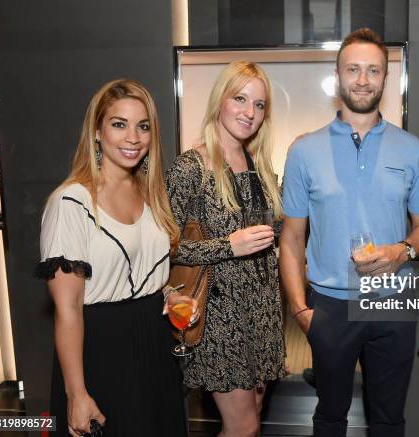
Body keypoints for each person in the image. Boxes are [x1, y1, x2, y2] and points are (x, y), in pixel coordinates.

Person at [280, 28, 419, 437]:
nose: (363, 79)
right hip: (329, 305)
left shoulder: (412, 149)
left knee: (387, 420)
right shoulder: (304, 151)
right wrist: (301, 311)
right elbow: (291, 240)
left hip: (393, 303)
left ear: (386, 77)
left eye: (373, 70)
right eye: (353, 69)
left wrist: (403, 250)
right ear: (338, 75)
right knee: (330, 418)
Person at [35, 79, 190, 436]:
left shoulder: (152, 194)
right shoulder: (72, 203)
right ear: (97, 132)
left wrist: (168, 295)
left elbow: (142, 272)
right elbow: (68, 309)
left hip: (155, 344)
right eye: (119, 124)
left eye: (143, 126)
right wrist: (76, 394)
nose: (133, 138)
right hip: (101, 350)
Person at [165, 61, 286, 437]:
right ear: (221, 100)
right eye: (240, 99)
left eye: (260, 105)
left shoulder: (259, 166)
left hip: (263, 310)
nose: (250, 112)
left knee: (254, 413)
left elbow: (275, 231)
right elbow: (165, 247)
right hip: (220, 315)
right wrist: (228, 246)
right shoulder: (191, 168)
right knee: (243, 426)